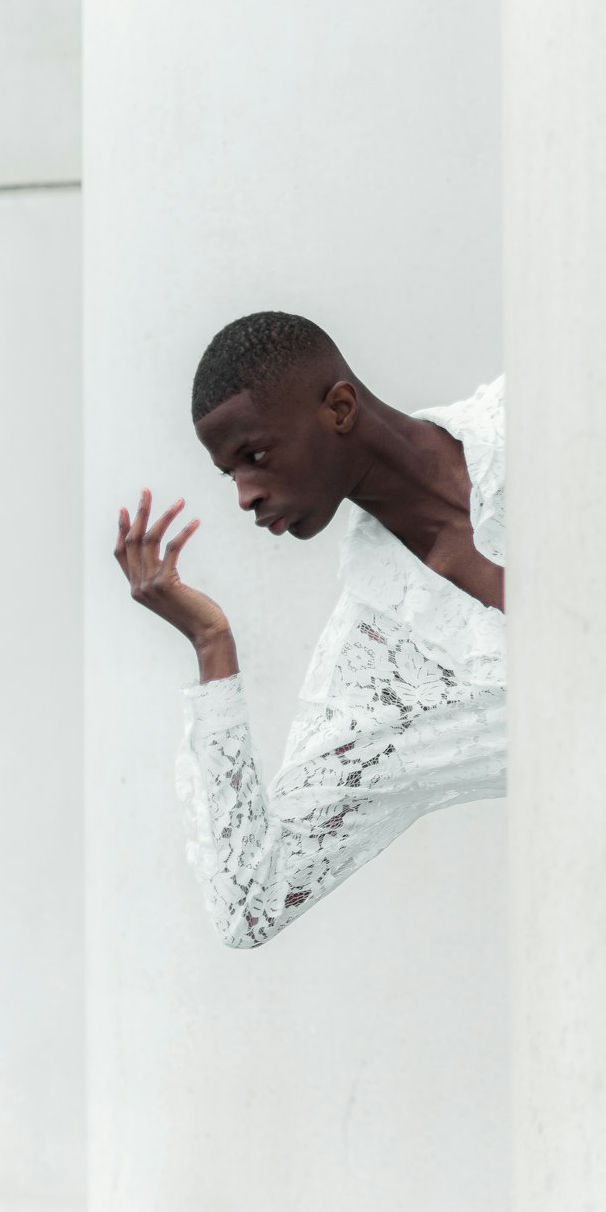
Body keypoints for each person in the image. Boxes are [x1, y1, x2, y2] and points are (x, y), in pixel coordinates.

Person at [114, 310, 506, 950]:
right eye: (230, 473)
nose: (244, 495)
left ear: (341, 408)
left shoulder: (529, 417)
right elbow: (252, 905)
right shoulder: (376, 669)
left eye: (256, 455)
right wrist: (211, 645)